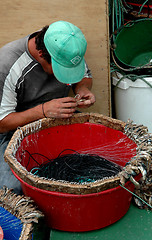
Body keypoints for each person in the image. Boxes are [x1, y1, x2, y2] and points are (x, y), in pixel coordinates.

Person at [0, 20, 95, 194]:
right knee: (14, 187)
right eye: (61, 70)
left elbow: (84, 76)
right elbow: (2, 123)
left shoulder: (67, 46)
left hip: (58, 117)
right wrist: (42, 111)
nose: (65, 77)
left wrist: (82, 88)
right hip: (13, 130)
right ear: (41, 54)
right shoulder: (6, 65)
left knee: (91, 159)